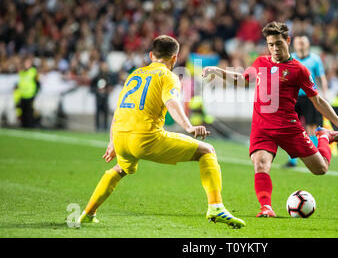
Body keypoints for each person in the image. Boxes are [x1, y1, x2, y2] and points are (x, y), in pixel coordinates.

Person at [78, 35, 246, 228]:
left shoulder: (135, 74)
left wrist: (112, 141)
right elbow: (172, 103)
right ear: (174, 58)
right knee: (207, 151)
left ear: (151, 55)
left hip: (120, 136)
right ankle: (216, 207)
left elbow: (118, 110)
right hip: (145, 138)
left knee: (120, 169)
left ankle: (88, 213)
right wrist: (188, 127)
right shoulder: (168, 76)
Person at [202, 21, 338, 218]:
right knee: (260, 164)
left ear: (288, 40)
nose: (275, 49)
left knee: (321, 169)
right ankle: (266, 207)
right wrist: (218, 71)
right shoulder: (261, 62)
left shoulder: (299, 70)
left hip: (288, 128)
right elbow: (242, 79)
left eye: (278, 43)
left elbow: (318, 100)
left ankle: (324, 137)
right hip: (262, 127)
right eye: (270, 44)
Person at [285, 35, 328, 167]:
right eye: (298, 43)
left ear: (308, 44)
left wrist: (325, 95)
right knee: (291, 128)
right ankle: (292, 160)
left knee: (311, 127)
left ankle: (314, 157)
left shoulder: (315, 59)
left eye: (303, 42)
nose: (301, 45)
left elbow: (321, 77)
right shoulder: (290, 58)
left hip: (309, 97)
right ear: (295, 45)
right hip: (292, 97)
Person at [90, 61, 114, 131]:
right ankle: (97, 128)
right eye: (104, 66)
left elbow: (110, 86)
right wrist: (97, 90)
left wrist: (108, 89)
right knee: (98, 112)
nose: (105, 68)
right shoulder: (97, 77)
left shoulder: (108, 77)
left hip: (105, 98)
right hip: (98, 98)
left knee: (105, 112)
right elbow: (92, 87)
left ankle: (105, 127)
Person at [17, 56, 40, 128]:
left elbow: (38, 82)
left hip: (30, 95)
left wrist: (36, 92)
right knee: (23, 112)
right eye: (26, 63)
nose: (27, 64)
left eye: (28, 63)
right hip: (22, 95)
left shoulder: (33, 71)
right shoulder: (22, 73)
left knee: (29, 112)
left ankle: (30, 126)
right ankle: (24, 126)